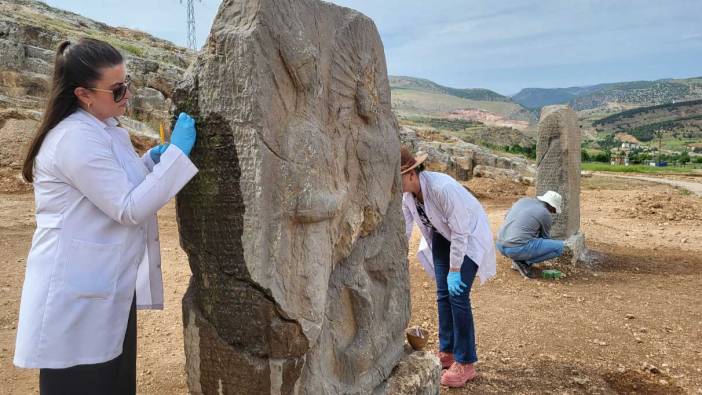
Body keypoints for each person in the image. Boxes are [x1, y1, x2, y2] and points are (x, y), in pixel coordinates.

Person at [13, 38, 198, 395]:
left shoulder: (106, 129)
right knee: (83, 384)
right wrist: (176, 156)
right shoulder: (73, 138)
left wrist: (150, 163)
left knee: (112, 381)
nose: (127, 94)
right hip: (75, 295)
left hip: (104, 284)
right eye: (117, 89)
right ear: (83, 93)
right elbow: (128, 207)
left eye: (127, 83)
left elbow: (113, 187)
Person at [400, 147, 496, 388]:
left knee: (458, 294)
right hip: (442, 236)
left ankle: (466, 362)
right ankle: (448, 351)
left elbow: (462, 231)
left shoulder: (441, 189)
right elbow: (405, 227)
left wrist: (455, 270)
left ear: (411, 174)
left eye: (397, 177)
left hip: (466, 235)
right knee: (443, 294)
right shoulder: (408, 196)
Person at [495, 191, 566, 278]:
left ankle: (519, 258)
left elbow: (507, 217)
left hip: (500, 245)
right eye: (554, 209)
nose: (553, 212)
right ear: (551, 205)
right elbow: (545, 238)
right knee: (561, 247)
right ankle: (523, 262)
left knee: (528, 239)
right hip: (515, 249)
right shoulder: (545, 213)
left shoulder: (523, 201)